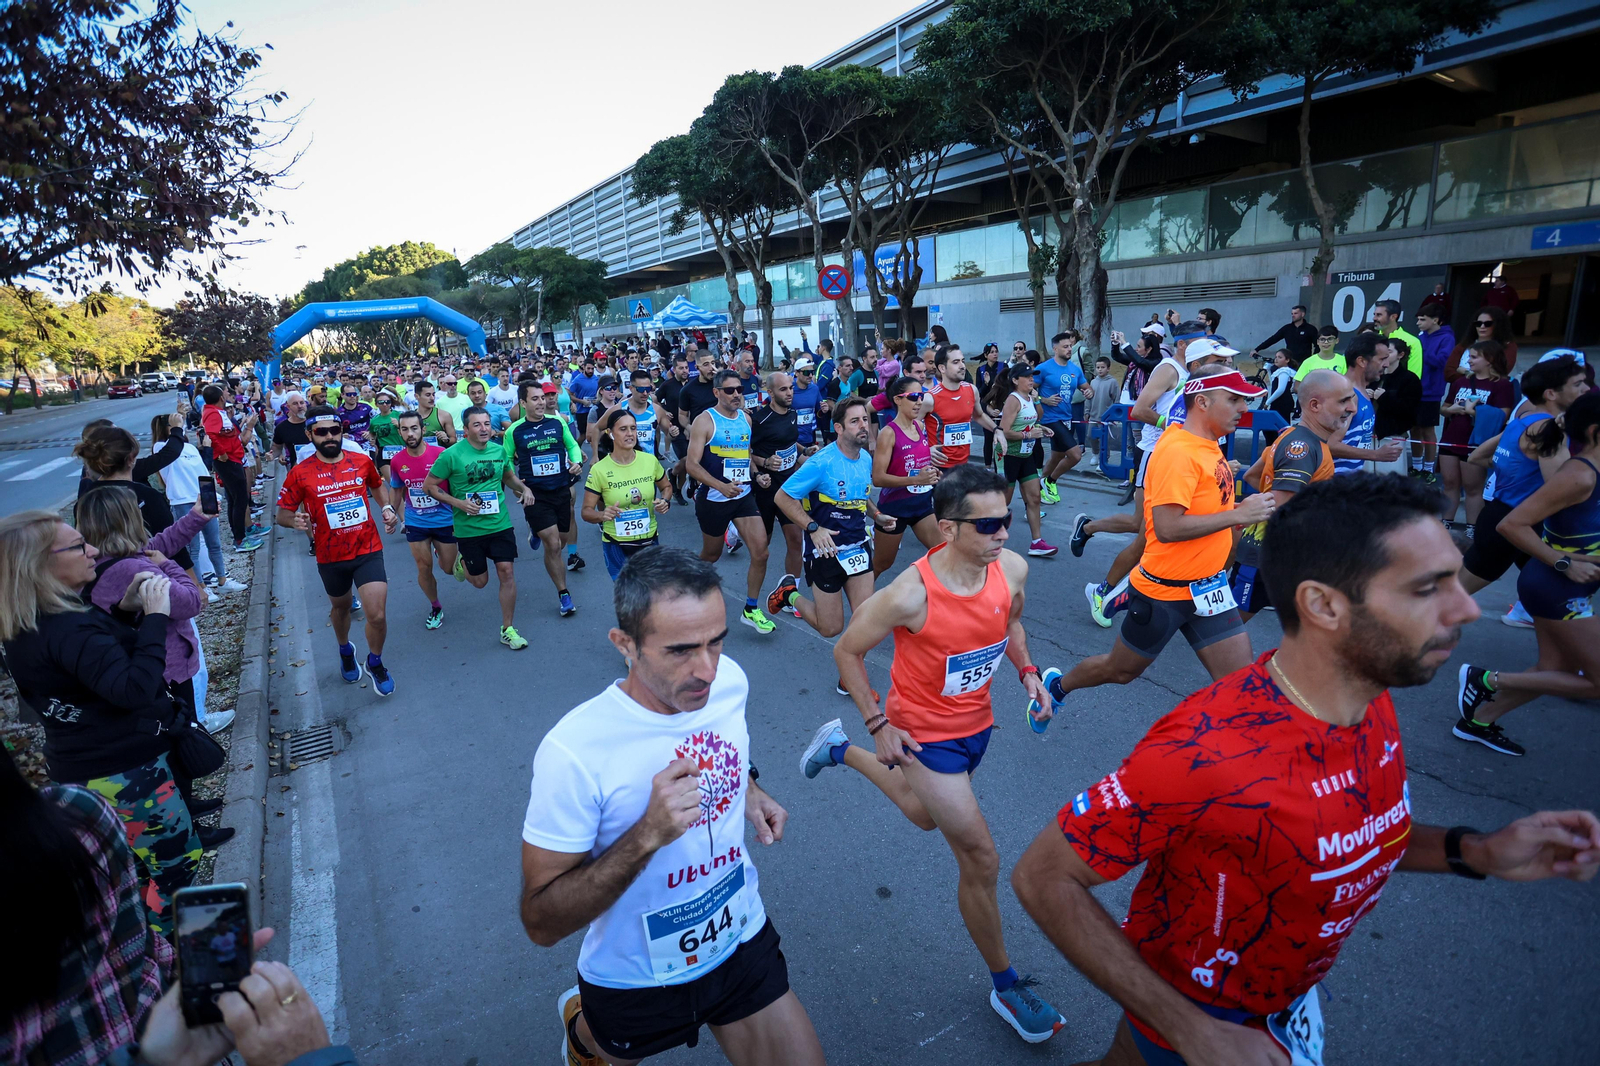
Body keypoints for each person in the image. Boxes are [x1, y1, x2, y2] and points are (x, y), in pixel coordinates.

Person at [1012, 473, 1599, 1066]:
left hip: (1284, 999)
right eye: (1428, 589)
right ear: (1322, 605)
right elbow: (1043, 878)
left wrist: (1476, 852)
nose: (1469, 608)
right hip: (1199, 1017)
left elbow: (1355, 839)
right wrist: (1189, 1028)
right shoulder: (1205, 751)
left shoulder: (1373, 692)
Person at [518, 547, 825, 1066]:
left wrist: (747, 788)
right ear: (626, 645)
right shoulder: (574, 750)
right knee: (601, 1046)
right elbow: (541, 921)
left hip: (738, 934)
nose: (706, 670)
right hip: (635, 975)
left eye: (716, 643)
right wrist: (647, 834)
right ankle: (582, 1030)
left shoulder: (729, 683)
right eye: (681, 650)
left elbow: (726, 744)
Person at [797, 464, 1067, 1044]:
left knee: (922, 815)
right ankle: (1007, 984)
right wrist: (877, 723)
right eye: (988, 524)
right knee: (981, 856)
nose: (1003, 534)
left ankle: (836, 749)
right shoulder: (909, 594)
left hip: (978, 725)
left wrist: (1027, 674)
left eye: (1008, 520)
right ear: (947, 529)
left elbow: (1011, 625)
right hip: (922, 734)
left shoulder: (1011, 569)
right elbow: (846, 650)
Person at [0, 512, 199, 934]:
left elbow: (87, 674)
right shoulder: (70, 627)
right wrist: (156, 616)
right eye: (78, 546)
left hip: (80, 766)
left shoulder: (29, 623)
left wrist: (126, 612)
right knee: (177, 866)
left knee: (133, 869)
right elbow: (133, 689)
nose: (93, 550)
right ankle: (162, 958)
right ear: (39, 564)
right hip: (126, 771)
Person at [1042, 367, 1273, 716]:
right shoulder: (1179, 452)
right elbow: (1166, 528)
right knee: (1120, 671)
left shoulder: (1208, 444)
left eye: (1245, 399)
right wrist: (1239, 516)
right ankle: (1058, 687)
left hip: (1209, 591)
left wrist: (1237, 510)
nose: (1244, 407)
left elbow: (1206, 508)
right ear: (1203, 402)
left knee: (1240, 687)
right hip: (1165, 593)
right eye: (1235, 399)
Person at [1, 745, 177, 1066]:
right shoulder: (80, 817)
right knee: (171, 866)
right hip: (176, 1045)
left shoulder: (81, 816)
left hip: (121, 757)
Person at [1455, 392, 1600, 757]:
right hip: (1555, 588)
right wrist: (1563, 562)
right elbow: (1512, 524)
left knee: (1554, 669)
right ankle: (1485, 679)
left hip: (1558, 586)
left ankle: (1479, 720)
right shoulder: (1579, 475)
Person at [1074, 326, 1235, 615]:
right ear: (1189, 350)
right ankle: (1104, 591)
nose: (1226, 367)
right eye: (1219, 361)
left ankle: (1089, 530)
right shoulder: (1170, 369)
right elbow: (1138, 411)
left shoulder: (1214, 386)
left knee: (1147, 529)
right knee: (1149, 533)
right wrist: (1173, 427)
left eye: (1226, 362)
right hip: (1158, 454)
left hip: (1188, 461)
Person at [275, 408, 396, 695]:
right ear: (309, 435)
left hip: (367, 547)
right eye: (321, 432)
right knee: (341, 607)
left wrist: (387, 508)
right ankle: (345, 649)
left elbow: (377, 487)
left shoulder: (361, 461)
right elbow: (282, 514)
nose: (330, 437)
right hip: (330, 555)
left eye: (335, 430)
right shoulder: (299, 473)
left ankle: (375, 662)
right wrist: (295, 520)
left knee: (376, 615)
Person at [766, 397, 894, 651]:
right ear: (838, 428)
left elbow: (859, 494)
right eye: (855, 421)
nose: (863, 427)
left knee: (866, 619)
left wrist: (876, 515)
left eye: (865, 420)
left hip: (857, 546)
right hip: (825, 552)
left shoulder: (865, 458)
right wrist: (813, 528)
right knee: (830, 628)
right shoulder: (821, 462)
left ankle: (850, 676)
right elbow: (782, 497)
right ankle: (788, 593)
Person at [1460, 355, 1589, 600]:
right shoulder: (1548, 430)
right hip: (1517, 525)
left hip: (1501, 515)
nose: (1586, 389)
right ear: (1551, 393)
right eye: (1578, 384)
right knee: (1450, 598)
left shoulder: (1523, 422)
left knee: (1553, 598)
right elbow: (1560, 489)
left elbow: (1477, 456)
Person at [1229, 369, 1346, 622]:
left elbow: (1253, 476)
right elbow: (1283, 509)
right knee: (1226, 633)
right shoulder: (1303, 447)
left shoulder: (1293, 436)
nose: (1351, 409)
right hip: (1270, 558)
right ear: (1314, 405)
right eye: (1343, 402)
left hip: (1280, 558)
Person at [423, 407, 536, 646]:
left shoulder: (498, 450)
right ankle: (461, 562)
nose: (484, 429)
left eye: (486, 424)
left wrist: (523, 488)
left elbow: (507, 477)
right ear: (466, 430)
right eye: (477, 425)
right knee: (480, 581)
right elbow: (429, 486)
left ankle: (508, 629)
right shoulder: (451, 455)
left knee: (506, 572)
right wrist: (458, 503)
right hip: (469, 529)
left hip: (499, 523)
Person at [686, 369, 775, 635]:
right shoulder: (705, 421)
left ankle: (750, 608)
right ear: (717, 393)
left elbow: (746, 456)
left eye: (739, 389)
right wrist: (720, 486)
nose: (737, 394)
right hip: (713, 497)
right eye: (730, 390)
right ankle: (689, 583)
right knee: (711, 555)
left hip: (743, 496)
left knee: (761, 552)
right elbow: (691, 464)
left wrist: (757, 476)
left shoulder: (746, 419)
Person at [507, 381, 585, 616]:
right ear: (523, 403)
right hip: (535, 495)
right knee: (552, 545)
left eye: (542, 398)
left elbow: (571, 446)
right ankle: (564, 594)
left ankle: (535, 530)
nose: (541, 402)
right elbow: (507, 461)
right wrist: (519, 486)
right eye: (535, 399)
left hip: (561, 488)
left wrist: (576, 463)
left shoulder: (557, 422)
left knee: (560, 542)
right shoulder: (514, 431)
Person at [387, 410, 460, 631]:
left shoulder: (441, 454)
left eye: (414, 428)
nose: (410, 433)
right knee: (423, 567)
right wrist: (390, 511)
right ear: (399, 432)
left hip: (444, 519)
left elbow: (457, 485)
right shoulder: (397, 461)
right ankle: (436, 607)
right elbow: (397, 490)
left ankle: (441, 552)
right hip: (416, 521)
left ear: (423, 429)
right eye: (405, 429)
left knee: (449, 569)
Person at [582, 407, 671, 580]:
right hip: (617, 545)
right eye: (623, 429)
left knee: (652, 594)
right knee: (629, 598)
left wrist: (665, 501)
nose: (630, 433)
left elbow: (666, 487)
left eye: (633, 428)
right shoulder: (600, 469)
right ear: (610, 433)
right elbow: (586, 512)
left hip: (649, 541)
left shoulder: (649, 461)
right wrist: (602, 515)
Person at [870, 374, 943, 576]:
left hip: (921, 505)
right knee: (882, 564)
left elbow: (917, 464)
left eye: (921, 396)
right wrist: (916, 479)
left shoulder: (919, 427)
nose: (919, 401)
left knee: (944, 553)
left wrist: (931, 472)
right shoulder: (888, 433)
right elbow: (877, 478)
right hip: (895, 509)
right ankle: (861, 600)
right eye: (913, 397)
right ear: (897, 399)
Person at [1438, 338, 1514, 525]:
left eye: (1473, 357)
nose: (1469, 361)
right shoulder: (1461, 381)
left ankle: (1472, 527)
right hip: (1451, 437)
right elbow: (1444, 407)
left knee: (1473, 488)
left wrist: (1474, 411)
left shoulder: (1502, 385)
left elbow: (1503, 415)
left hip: (1475, 442)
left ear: (1489, 360)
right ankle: (1445, 522)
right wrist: (1451, 410)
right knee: (1449, 484)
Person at [988, 363, 1055, 556]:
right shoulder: (1013, 400)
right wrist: (1028, 435)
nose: (1031, 379)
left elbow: (1035, 419)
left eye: (1033, 376)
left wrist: (1041, 430)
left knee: (1034, 498)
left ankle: (1037, 542)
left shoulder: (1029, 397)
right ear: (1015, 380)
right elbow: (1005, 431)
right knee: (1003, 502)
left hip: (1025, 455)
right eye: (1027, 377)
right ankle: (986, 538)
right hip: (1007, 455)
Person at [749, 371, 806, 586]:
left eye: (791, 387)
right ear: (770, 392)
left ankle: (790, 593)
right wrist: (764, 464)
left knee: (795, 540)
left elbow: (789, 443)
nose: (790, 392)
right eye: (784, 389)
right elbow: (745, 453)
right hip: (765, 488)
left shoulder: (792, 413)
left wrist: (804, 451)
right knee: (763, 547)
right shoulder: (759, 420)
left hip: (789, 486)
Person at [1329, 331, 1405, 475]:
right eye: (1382, 359)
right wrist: (1376, 455)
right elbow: (1330, 445)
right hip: (1334, 484)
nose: (1387, 364)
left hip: (1348, 484)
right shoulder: (1347, 394)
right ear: (1362, 361)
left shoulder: (1361, 392)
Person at [200, 384, 260, 552]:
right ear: (221, 398)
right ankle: (240, 540)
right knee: (239, 500)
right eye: (225, 392)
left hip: (234, 458)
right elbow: (211, 435)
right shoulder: (212, 413)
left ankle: (240, 536)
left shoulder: (217, 412)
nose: (228, 394)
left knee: (235, 499)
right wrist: (222, 453)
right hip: (228, 461)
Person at [1035, 331, 1090, 504]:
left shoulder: (1074, 369)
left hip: (1067, 417)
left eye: (1070, 347)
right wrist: (1043, 399)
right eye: (1065, 347)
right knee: (1075, 455)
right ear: (1055, 348)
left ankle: (1038, 487)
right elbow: (1028, 389)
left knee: (1057, 456)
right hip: (1050, 419)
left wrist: (1089, 391)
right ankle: (1049, 481)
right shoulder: (1044, 368)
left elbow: (1086, 387)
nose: (1069, 350)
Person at [1372, 335, 1422, 442]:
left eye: (1389, 352)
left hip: (1394, 433)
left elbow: (1410, 409)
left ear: (1401, 354)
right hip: (1368, 431)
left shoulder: (1410, 379)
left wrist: (1384, 397)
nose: (1385, 356)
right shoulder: (1373, 374)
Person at [1450, 305, 1519, 378]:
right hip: (1460, 388)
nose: (1482, 327)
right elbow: (1449, 373)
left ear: (1498, 325)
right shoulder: (1464, 344)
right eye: (1478, 323)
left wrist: (1466, 372)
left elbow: (1500, 372)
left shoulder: (1508, 346)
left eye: (1488, 324)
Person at [1247, 303, 1318, 364]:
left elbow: (1317, 345)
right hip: (1289, 361)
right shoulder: (1287, 328)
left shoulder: (1310, 329)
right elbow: (1273, 339)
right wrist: (1257, 349)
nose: (1293, 315)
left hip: (1304, 362)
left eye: (1296, 313)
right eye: (1292, 313)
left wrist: (1313, 359)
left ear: (1302, 314)